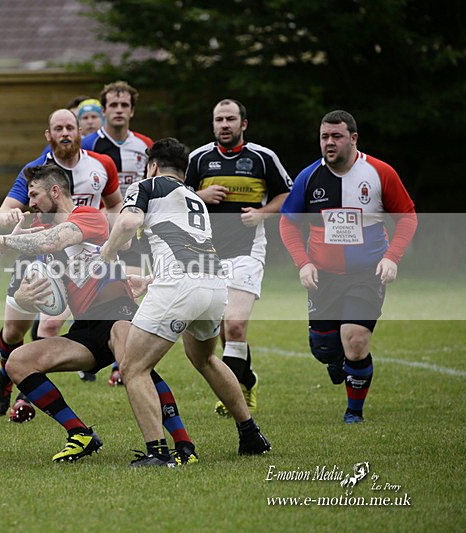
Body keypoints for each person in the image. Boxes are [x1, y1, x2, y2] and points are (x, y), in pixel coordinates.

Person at [0, 164, 198, 465]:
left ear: (55, 192)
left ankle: (183, 446)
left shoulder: (88, 216)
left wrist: (4, 240)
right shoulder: (42, 231)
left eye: (34, 195)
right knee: (19, 361)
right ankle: (80, 434)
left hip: (117, 314)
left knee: (137, 368)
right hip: (84, 329)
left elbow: (52, 241)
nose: (30, 203)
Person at [100, 137, 271, 467]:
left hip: (180, 285)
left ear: (152, 166)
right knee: (204, 359)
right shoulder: (194, 197)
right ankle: (250, 434)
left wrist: (107, 253)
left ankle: (158, 452)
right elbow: (185, 245)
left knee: (133, 368)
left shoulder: (148, 185)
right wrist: (150, 279)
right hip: (213, 283)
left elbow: (129, 221)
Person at [279, 110, 417, 424]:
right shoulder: (308, 177)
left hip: (366, 274)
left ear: (353, 138)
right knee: (324, 349)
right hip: (323, 277)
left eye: (336, 136)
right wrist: (303, 264)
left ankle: (354, 413)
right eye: (324, 136)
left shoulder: (380, 173)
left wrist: (391, 257)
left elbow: (407, 217)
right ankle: (334, 357)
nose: (329, 142)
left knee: (355, 340)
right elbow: (288, 224)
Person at [0, 109, 121, 419]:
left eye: (70, 127)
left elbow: (115, 205)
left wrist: (113, 241)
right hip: (35, 254)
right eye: (58, 128)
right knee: (12, 331)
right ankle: (5, 382)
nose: (65, 132)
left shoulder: (101, 165)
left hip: (78, 261)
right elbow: (3, 212)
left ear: (80, 133)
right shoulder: (35, 171)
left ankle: (26, 392)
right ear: (48, 135)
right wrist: (8, 218)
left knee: (50, 323)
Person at [185, 99, 293, 416]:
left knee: (234, 325)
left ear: (243, 124)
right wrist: (199, 196)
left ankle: (232, 396)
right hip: (207, 254)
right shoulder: (199, 158)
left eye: (231, 119)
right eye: (219, 119)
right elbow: (177, 198)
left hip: (247, 252)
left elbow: (286, 194)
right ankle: (246, 381)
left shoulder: (262, 157)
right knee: (221, 330)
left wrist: (262, 213)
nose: (225, 125)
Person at [81, 80, 154, 385]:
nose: (119, 110)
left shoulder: (145, 146)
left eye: (125, 105)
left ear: (132, 110)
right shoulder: (89, 146)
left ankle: (121, 363)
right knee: (93, 296)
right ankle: (93, 349)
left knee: (131, 294)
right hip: (98, 234)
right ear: (104, 109)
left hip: (135, 233)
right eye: (114, 105)